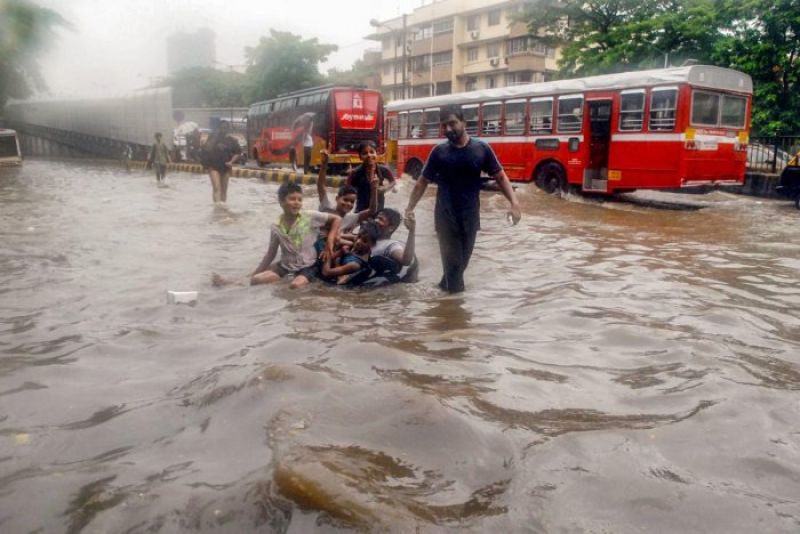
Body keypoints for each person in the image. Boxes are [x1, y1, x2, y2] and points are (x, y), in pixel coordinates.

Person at [405, 106, 521, 293]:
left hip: (470, 218)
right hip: (445, 218)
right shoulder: (439, 152)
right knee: (456, 273)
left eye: (452, 123)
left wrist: (514, 203)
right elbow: (422, 182)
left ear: (464, 123)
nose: (448, 129)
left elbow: (500, 177)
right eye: (444, 126)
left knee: (458, 269)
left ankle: (440, 296)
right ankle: (454, 317)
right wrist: (409, 208)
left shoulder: (481, 149)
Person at [250, 182, 341, 289]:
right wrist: (255, 273)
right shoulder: (276, 227)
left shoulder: (309, 216)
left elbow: (337, 219)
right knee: (256, 280)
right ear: (281, 202)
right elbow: (271, 253)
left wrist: (330, 240)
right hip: (286, 267)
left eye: (299, 200)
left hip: (309, 265)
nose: (296, 203)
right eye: (292, 199)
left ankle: (304, 282)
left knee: (295, 285)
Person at [317, 145, 378, 235]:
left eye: (352, 202)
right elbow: (321, 186)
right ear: (337, 198)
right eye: (345, 200)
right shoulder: (326, 207)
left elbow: (372, 210)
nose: (348, 204)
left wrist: (374, 188)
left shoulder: (351, 218)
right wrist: (324, 164)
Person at [367, 207, 417, 284]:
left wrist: (411, 231)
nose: (376, 221)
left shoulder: (390, 245)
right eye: (376, 218)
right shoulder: (366, 238)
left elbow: (406, 260)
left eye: (381, 219)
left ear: (391, 228)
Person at [320, 221, 380, 286]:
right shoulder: (359, 247)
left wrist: (329, 251)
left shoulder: (354, 264)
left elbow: (326, 272)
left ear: (373, 245)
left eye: (364, 241)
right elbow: (343, 236)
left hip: (328, 280)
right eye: (359, 236)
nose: (358, 241)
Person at [346, 140, 396, 212]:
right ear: (360, 157)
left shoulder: (383, 170)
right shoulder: (355, 172)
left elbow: (393, 182)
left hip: (379, 209)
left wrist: (384, 188)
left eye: (372, 152)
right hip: (361, 210)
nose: (369, 155)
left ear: (376, 154)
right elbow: (347, 188)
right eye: (364, 153)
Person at [201, 121, 241, 204]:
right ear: (219, 128)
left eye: (226, 128)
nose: (224, 129)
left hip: (226, 167)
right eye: (222, 127)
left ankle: (222, 209)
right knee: (217, 188)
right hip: (213, 166)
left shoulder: (232, 140)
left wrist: (231, 162)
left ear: (228, 129)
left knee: (224, 190)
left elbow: (238, 152)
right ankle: (217, 208)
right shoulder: (213, 138)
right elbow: (206, 150)